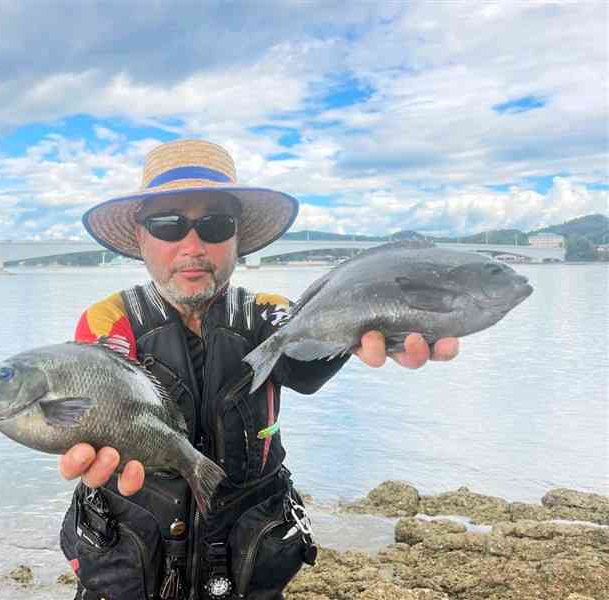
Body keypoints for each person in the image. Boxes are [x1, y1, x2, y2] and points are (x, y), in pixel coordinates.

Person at [59, 139, 459, 600]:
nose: (192, 245)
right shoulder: (107, 321)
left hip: (247, 565)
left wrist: (385, 327)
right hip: (130, 565)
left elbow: (307, 364)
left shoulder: (268, 315)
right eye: (167, 225)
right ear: (141, 238)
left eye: (215, 224)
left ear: (237, 239)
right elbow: (86, 407)